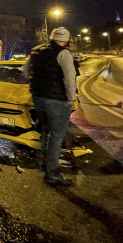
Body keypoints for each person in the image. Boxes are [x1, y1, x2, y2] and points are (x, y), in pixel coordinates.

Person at [24, 27, 77, 186]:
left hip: (38, 98)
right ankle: (52, 173)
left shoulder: (36, 52)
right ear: (66, 40)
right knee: (56, 136)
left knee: (45, 132)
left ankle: (43, 164)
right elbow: (69, 79)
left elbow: (25, 71)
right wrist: (71, 98)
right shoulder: (64, 54)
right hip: (57, 101)